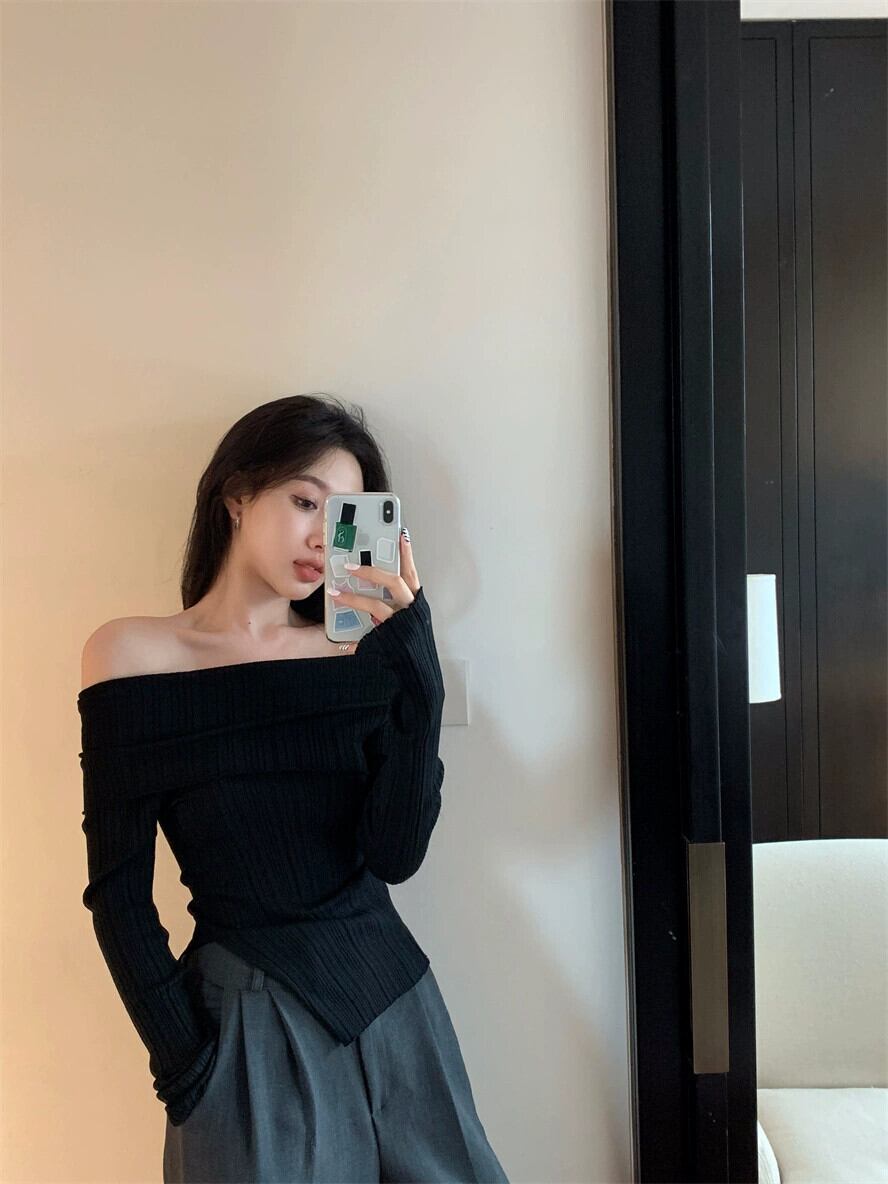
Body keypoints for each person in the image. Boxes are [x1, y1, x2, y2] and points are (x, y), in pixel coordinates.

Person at [78, 393, 509, 1183]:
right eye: (306, 501)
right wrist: (185, 1066)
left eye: (345, 516)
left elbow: (395, 855)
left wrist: (419, 674)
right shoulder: (130, 657)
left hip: (396, 1008)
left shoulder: (360, 655)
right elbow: (119, 895)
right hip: (245, 1024)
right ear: (237, 495)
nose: (322, 536)